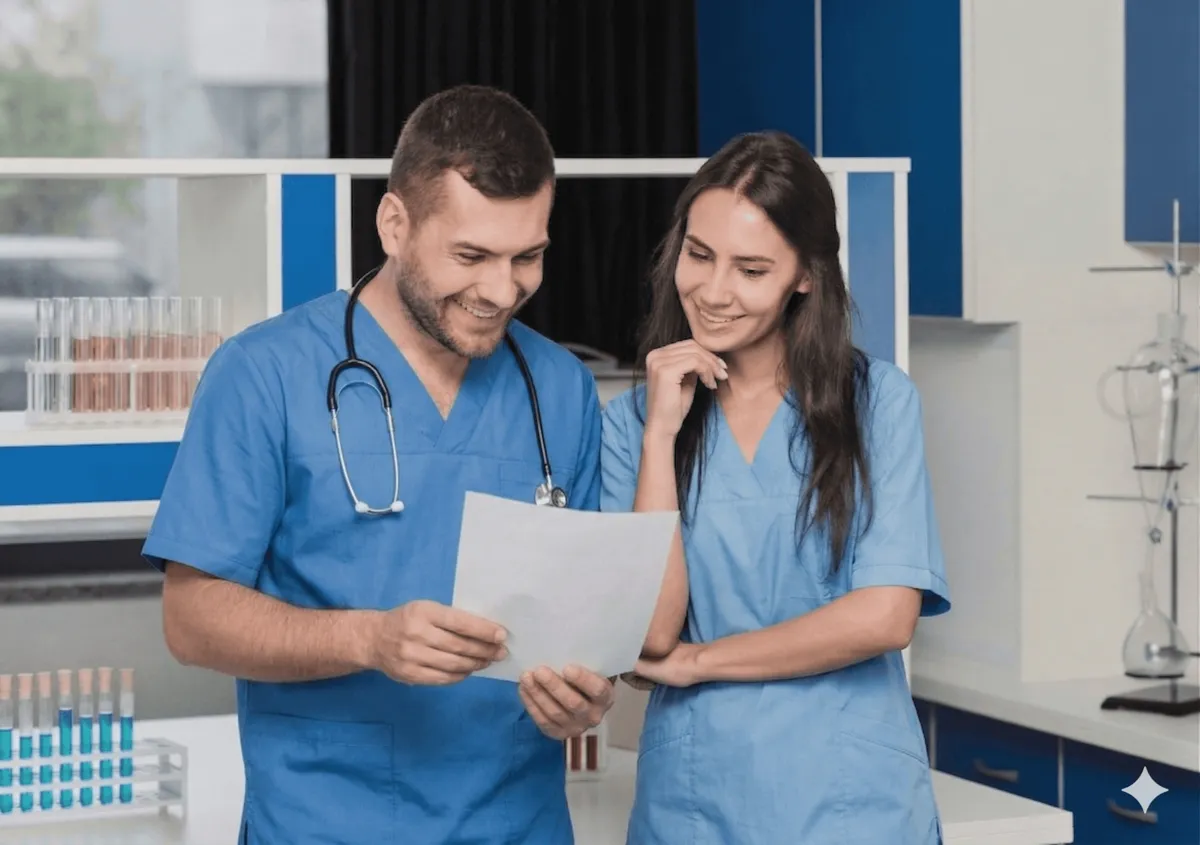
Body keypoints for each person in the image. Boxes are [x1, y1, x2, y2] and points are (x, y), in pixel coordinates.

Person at [143, 84, 615, 844]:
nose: (503, 290)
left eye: (527, 257)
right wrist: (366, 639)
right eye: (472, 255)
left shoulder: (558, 389)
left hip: (516, 823)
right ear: (395, 224)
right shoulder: (264, 374)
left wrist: (588, 696)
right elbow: (190, 619)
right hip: (324, 822)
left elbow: (588, 624)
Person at [599, 131, 952, 844]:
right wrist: (662, 438)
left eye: (751, 269)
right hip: (693, 802)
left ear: (805, 276)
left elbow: (884, 615)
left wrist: (701, 661)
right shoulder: (635, 423)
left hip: (850, 802)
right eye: (699, 255)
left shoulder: (877, 403)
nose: (714, 290)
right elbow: (646, 635)